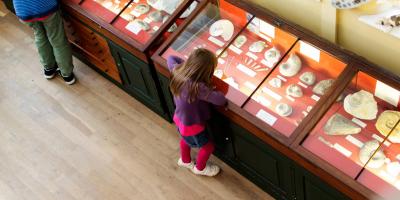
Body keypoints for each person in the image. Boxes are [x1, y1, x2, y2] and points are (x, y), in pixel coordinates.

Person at [168, 48, 227, 177]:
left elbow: (171, 58)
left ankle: (185, 160)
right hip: (193, 126)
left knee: (184, 139)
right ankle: (200, 168)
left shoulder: (177, 71)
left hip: (179, 119)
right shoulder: (198, 87)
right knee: (208, 147)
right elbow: (220, 100)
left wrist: (186, 65)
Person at [13, 0, 76, 85]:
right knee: (57, 40)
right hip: (44, 6)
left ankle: (49, 69)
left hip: (23, 9)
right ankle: (67, 75)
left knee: (39, 36)